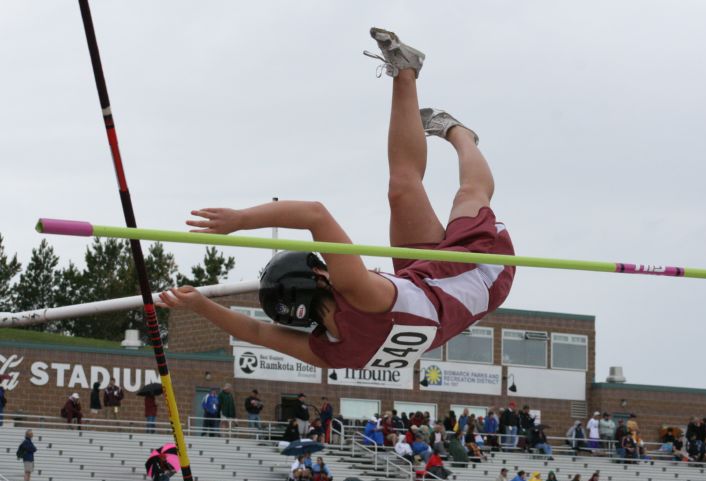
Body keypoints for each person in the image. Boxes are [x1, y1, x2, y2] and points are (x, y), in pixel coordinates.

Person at [157, 28, 515, 378]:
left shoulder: (331, 351)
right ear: (317, 276)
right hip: (481, 276)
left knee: (401, 189)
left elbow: (259, 334)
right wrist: (238, 220)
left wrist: (202, 305)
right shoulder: (357, 290)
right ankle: (462, 136)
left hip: (425, 285)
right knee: (469, 196)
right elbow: (315, 213)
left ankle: (405, 69)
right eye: (320, 263)